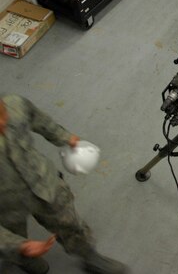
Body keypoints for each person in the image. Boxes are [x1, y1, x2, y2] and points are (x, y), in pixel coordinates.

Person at [0, 94, 127, 274]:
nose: (1, 124)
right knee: (14, 236)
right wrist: (17, 245)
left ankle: (89, 256)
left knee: (69, 222)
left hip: (44, 183)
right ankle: (24, 260)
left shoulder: (14, 104)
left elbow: (39, 119)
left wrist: (65, 137)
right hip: (6, 208)